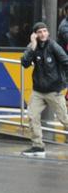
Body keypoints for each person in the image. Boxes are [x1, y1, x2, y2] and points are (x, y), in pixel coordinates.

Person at [20, 21, 68, 157]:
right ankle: (38, 146)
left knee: (64, 119)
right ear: (35, 35)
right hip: (38, 91)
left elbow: (66, 62)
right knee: (32, 116)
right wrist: (32, 46)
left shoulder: (53, 46)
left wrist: (64, 81)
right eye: (39, 32)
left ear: (48, 32)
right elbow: (24, 63)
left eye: (45, 31)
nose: (43, 34)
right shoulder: (32, 47)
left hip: (54, 90)